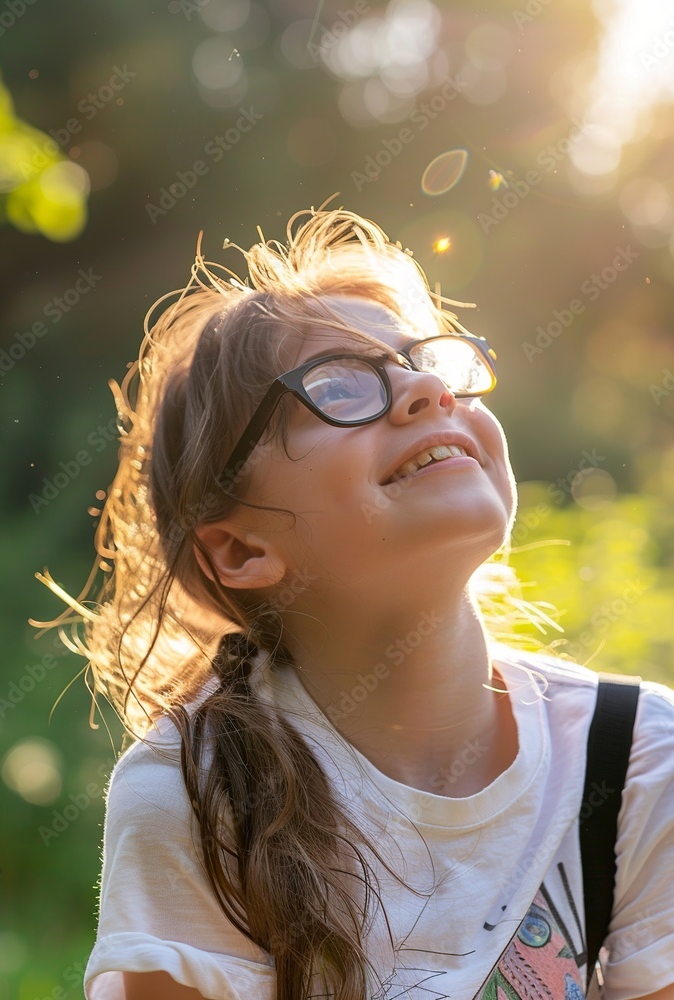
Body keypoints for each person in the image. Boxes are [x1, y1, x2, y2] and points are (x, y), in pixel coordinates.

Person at [36, 205, 674, 1000]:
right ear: (241, 550)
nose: (427, 389)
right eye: (339, 385)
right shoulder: (197, 794)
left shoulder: (638, 759)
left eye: (426, 361)